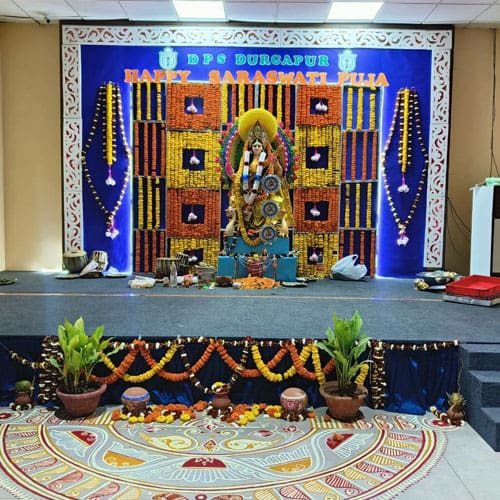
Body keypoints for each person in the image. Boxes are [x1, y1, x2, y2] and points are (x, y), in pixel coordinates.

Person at [225, 109, 293, 245]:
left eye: (259, 146)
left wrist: (276, 164)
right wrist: (235, 177)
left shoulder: (269, 159)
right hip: (248, 193)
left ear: (263, 147)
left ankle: (268, 232)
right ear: (251, 146)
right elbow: (239, 176)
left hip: (264, 192)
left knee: (276, 203)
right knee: (235, 202)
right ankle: (243, 231)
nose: (256, 148)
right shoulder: (246, 160)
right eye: (255, 145)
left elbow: (279, 174)